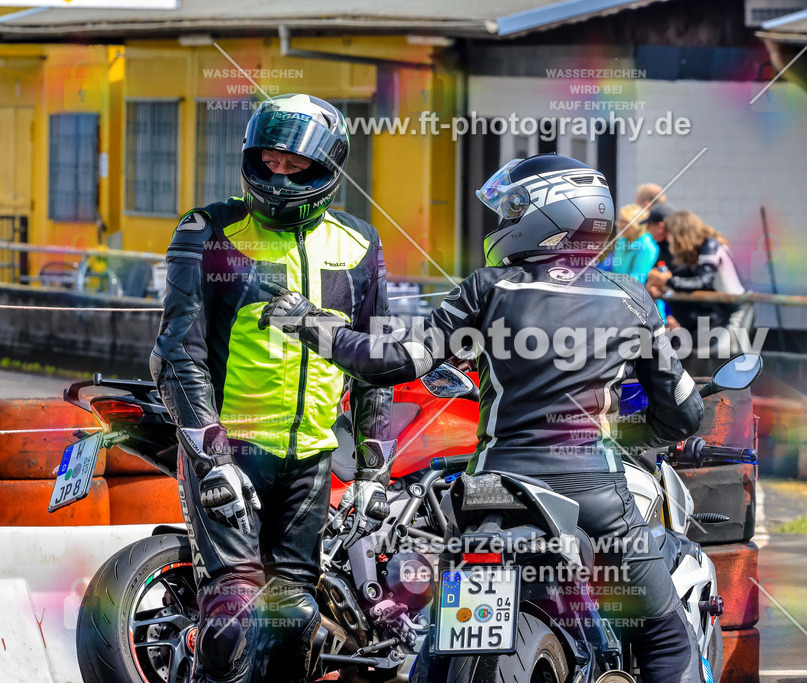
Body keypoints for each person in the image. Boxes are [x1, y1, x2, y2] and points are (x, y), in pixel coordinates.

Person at [260, 153, 705, 682]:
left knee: (434, 646)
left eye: (514, 208)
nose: (503, 220)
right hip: (595, 495)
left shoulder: (488, 288)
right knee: (665, 641)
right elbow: (683, 414)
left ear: (553, 213)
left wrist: (308, 321)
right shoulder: (632, 300)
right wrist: (631, 432)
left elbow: (393, 360)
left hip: (492, 492)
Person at [150, 93, 394, 683]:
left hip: (311, 457)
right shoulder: (207, 229)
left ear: (328, 168)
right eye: (269, 159)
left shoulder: (360, 241)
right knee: (232, 613)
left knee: (294, 617)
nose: (279, 173)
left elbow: (373, 362)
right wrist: (211, 456)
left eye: (295, 164)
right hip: (229, 446)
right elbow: (177, 350)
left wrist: (372, 471)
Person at [646, 210, 752, 360]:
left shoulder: (711, 245)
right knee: (718, 357)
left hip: (737, 309)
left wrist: (667, 281)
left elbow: (703, 281)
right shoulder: (695, 250)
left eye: (670, 234)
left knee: (730, 357)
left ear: (681, 232)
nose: (668, 240)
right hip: (722, 310)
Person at [600, 203, 658, 285]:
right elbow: (605, 267)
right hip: (616, 290)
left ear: (639, 224)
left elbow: (636, 281)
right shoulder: (621, 242)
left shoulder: (647, 247)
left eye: (625, 222)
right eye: (620, 221)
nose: (621, 225)